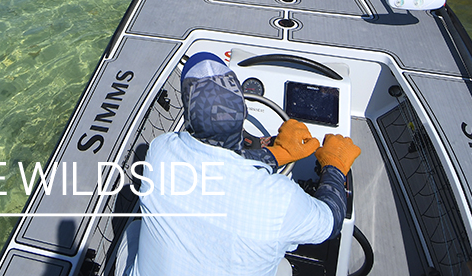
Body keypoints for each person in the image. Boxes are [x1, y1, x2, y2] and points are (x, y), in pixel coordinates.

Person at [124, 52, 360, 276]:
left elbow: (216, 169)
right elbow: (331, 221)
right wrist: (334, 165)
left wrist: (276, 154)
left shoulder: (160, 151)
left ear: (188, 116)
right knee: (283, 268)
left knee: (133, 231)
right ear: (243, 112)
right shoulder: (281, 199)